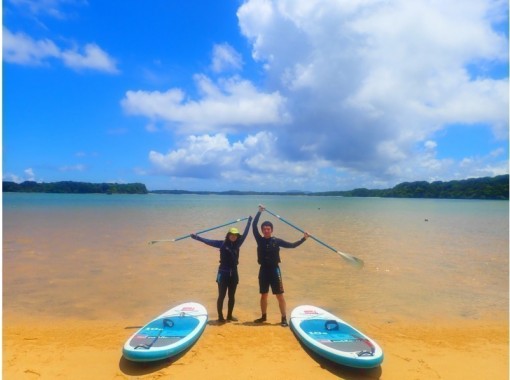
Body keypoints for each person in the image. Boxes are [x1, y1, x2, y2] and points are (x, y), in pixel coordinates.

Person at [252, 205, 309, 327]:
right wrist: (259, 212)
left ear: (271, 230)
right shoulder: (259, 240)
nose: (266, 230)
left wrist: (303, 239)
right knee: (263, 295)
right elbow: (253, 226)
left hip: (274, 270)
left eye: (268, 229)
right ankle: (263, 316)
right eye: (264, 229)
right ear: (262, 230)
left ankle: (283, 318)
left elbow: (292, 245)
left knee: (279, 295)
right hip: (263, 270)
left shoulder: (277, 241)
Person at [191, 216, 252, 323]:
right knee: (221, 295)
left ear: (237, 237)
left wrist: (249, 221)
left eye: (235, 235)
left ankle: (229, 316)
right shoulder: (222, 244)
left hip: (234, 274)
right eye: (231, 235)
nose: (233, 236)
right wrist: (197, 238)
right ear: (228, 235)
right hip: (223, 273)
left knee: (232, 296)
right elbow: (208, 241)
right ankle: (220, 317)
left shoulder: (238, 244)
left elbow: (246, 233)